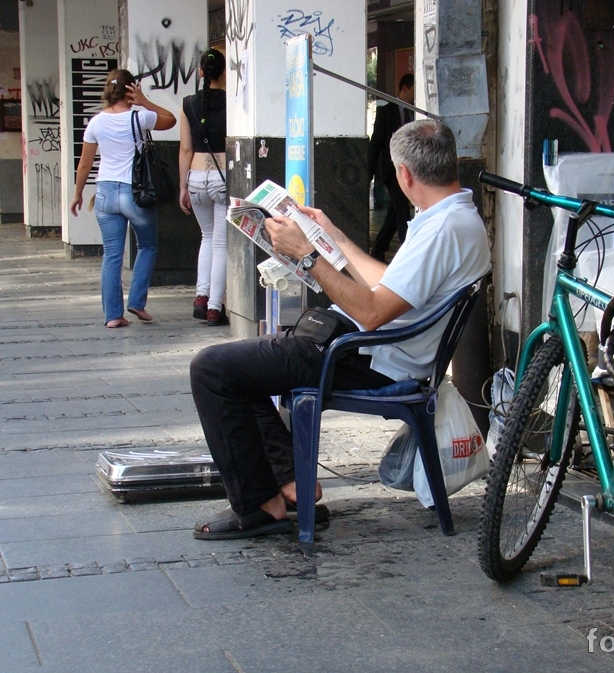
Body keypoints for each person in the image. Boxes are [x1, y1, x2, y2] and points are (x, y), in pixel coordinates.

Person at [189, 119, 491, 540]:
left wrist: (309, 255)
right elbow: (388, 283)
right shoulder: (454, 217)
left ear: (403, 174)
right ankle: (290, 485)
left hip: (367, 355)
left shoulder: (444, 229)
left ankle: (260, 506)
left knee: (211, 369)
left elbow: (372, 312)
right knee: (241, 367)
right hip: (366, 347)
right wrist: (333, 237)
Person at [70, 70, 176, 327]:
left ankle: (113, 316)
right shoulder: (140, 117)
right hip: (134, 193)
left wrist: (77, 194)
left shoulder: (96, 122)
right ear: (132, 89)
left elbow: (85, 164)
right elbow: (170, 120)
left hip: (105, 192)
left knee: (112, 254)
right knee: (147, 245)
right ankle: (137, 302)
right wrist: (144, 101)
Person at [179, 48, 229, 326]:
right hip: (222, 177)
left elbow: (186, 149)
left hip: (196, 177)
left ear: (200, 73)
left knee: (206, 238)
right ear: (224, 73)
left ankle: (201, 295)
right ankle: (214, 307)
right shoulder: (232, 103)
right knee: (220, 242)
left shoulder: (188, 103)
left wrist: (182, 186)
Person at [367, 73, 415, 262]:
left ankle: (378, 251)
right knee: (402, 211)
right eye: (413, 90)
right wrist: (368, 175)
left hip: (412, 170)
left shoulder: (416, 113)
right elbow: (376, 144)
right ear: (404, 89)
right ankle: (407, 256)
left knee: (395, 213)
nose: (415, 95)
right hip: (393, 171)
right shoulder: (386, 112)